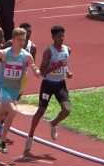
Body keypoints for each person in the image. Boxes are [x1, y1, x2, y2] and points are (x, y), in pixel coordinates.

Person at [0, 28, 40, 153]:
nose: (22, 42)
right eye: (19, 40)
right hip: (2, 87)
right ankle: (2, 140)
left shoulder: (26, 56)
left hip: (15, 90)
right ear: (13, 40)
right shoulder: (4, 53)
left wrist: (37, 72)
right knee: (12, 111)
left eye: (23, 40)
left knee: (0, 114)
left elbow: (34, 68)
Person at [24, 25, 72, 155]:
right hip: (48, 84)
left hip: (60, 84)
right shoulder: (48, 52)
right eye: (59, 36)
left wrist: (67, 72)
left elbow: (66, 64)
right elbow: (42, 72)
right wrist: (56, 66)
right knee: (40, 111)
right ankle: (30, 136)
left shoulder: (68, 49)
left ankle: (53, 123)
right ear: (53, 37)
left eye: (63, 36)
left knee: (67, 110)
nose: (61, 38)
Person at [0, 22, 37, 137]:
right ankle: (1, 123)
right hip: (7, 77)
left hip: (21, 78)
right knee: (8, 103)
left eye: (29, 33)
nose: (27, 35)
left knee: (13, 102)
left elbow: (32, 64)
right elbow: (1, 58)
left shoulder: (32, 47)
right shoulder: (10, 43)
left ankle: (2, 121)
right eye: (25, 33)